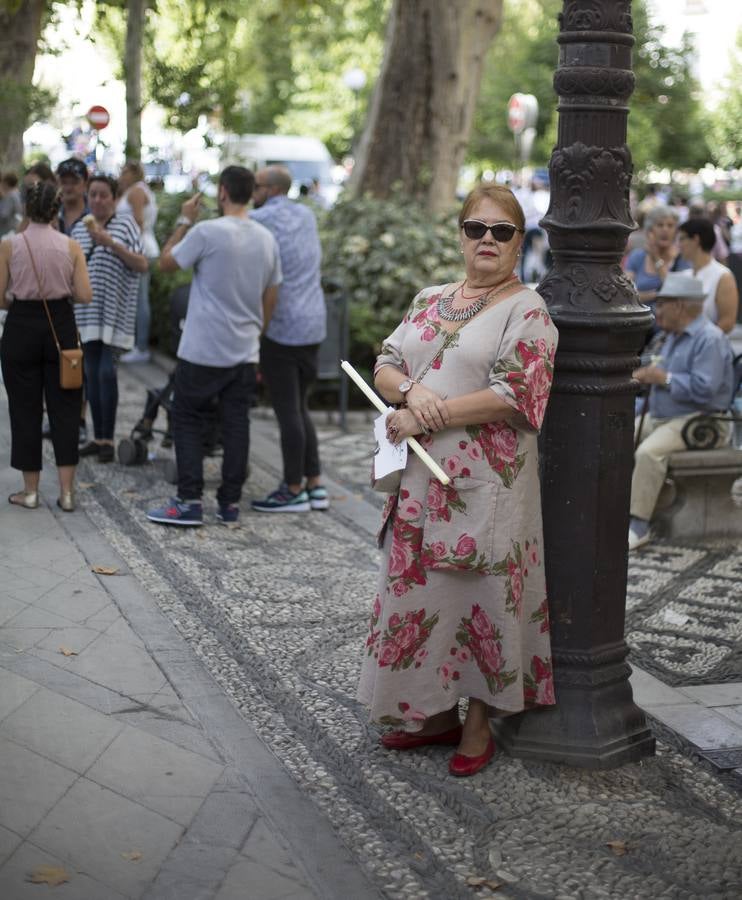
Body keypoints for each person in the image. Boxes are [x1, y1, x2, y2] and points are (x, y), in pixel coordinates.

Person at [358, 183, 558, 777]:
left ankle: (478, 723)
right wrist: (411, 391)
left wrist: (427, 413)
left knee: (481, 601)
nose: (488, 240)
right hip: (420, 483)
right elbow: (386, 362)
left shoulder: (529, 310)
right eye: (478, 229)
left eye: (502, 231)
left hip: (485, 486)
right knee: (419, 597)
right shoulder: (429, 299)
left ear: (520, 241)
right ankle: (433, 714)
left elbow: (518, 395)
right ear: (462, 236)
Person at [146, 166, 282, 527]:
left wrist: (184, 220)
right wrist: (258, 330)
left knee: (187, 418)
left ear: (222, 192)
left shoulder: (206, 231)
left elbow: (165, 263)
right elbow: (272, 292)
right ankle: (229, 504)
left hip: (203, 348)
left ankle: (189, 501)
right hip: (244, 350)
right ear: (252, 194)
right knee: (237, 423)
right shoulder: (266, 238)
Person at [0, 182, 92, 511]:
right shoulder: (70, 246)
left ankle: (30, 491)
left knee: (24, 410)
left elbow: (0, 295)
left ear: (26, 207)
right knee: (66, 408)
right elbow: (84, 294)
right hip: (61, 327)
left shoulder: (10, 245)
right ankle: (67, 493)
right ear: (55, 209)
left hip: (21, 327)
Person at [628, 273, 734, 551]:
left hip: (702, 420)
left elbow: (707, 391)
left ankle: (638, 526)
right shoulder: (671, 336)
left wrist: (664, 378)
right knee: (619, 436)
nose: (657, 310)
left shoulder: (709, 339)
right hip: (668, 417)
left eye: (662, 305)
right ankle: (644, 502)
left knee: (649, 453)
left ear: (679, 307)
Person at [249, 165, 329, 513]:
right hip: (313, 323)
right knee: (300, 406)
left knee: (287, 410)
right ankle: (315, 484)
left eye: (257, 185)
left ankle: (292, 488)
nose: (253, 191)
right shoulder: (306, 216)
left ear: (270, 189)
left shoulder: (260, 219)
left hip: (281, 324)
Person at [70, 175, 148, 462]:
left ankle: (107, 438)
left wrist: (110, 242)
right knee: (90, 375)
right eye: (94, 195)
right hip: (86, 314)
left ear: (114, 198)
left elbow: (141, 264)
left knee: (106, 372)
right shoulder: (79, 228)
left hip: (115, 314)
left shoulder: (125, 224)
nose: (98, 200)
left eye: (104, 195)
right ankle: (98, 438)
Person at [117, 161, 159, 363]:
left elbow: (138, 222)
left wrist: (129, 246)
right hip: (140, 248)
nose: (121, 175)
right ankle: (135, 344)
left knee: (139, 300)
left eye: (125, 172)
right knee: (136, 299)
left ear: (134, 173)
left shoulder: (136, 192)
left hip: (140, 250)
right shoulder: (137, 190)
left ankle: (140, 347)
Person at [624, 205, 691, 312]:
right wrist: (658, 295)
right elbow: (626, 295)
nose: (665, 230)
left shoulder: (683, 259)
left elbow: (677, 292)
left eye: (670, 226)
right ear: (650, 231)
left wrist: (656, 259)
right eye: (660, 225)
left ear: (676, 231)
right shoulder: (637, 257)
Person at [678, 217, 739, 334]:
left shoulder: (723, 276)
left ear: (695, 239)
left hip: (710, 348)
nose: (679, 245)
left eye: (682, 239)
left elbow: (727, 322)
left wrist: (698, 342)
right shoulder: (685, 274)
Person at [56, 158, 89, 235]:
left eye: (74, 182)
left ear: (85, 183)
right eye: (63, 182)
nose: (68, 188)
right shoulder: (50, 214)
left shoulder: (96, 213)